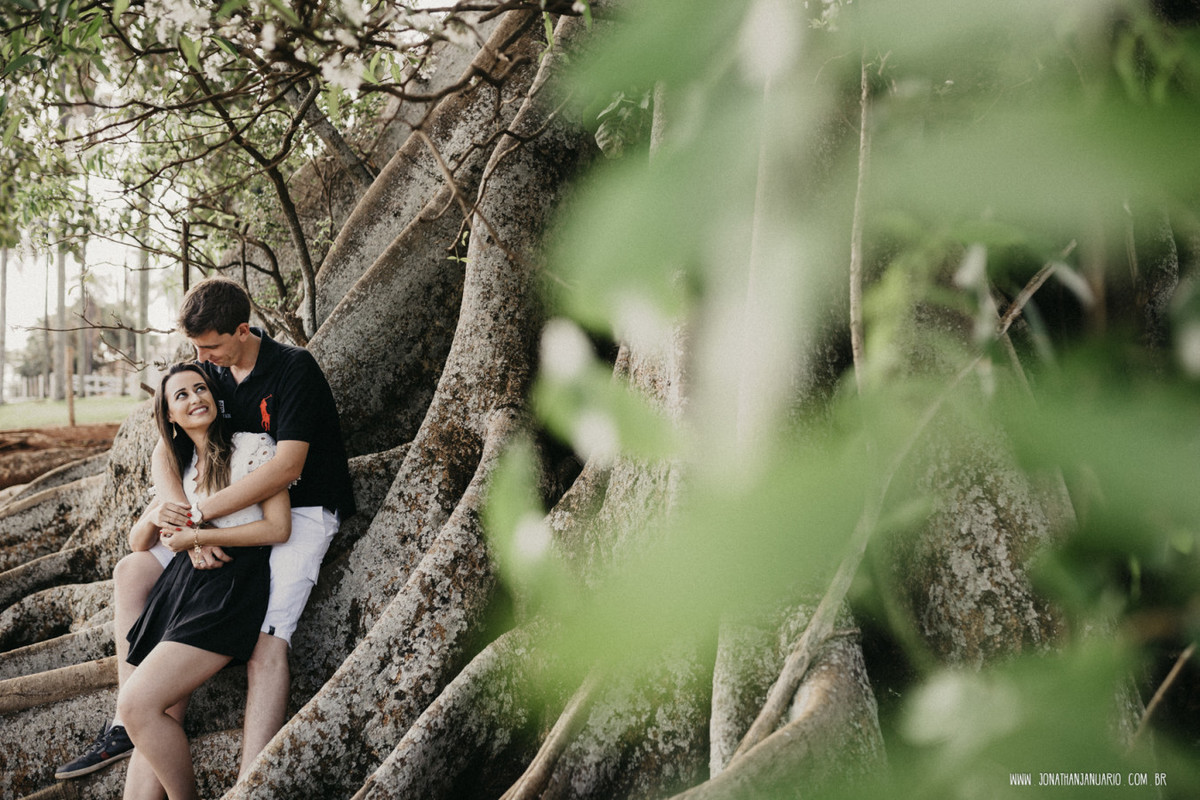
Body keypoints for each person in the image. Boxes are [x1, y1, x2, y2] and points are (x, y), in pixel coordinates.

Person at [56, 277, 356, 782]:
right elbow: (163, 447)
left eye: (210, 345)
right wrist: (179, 509)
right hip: (221, 506)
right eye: (196, 347)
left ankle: (249, 780)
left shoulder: (291, 369)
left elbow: (285, 467)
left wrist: (200, 521)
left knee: (268, 642)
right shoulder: (215, 370)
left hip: (301, 511)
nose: (202, 356)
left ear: (242, 331)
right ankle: (123, 722)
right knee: (132, 570)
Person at [120, 363, 291, 800]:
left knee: (137, 705)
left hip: (229, 586)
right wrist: (159, 515)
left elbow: (277, 528)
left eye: (201, 388)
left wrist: (201, 536)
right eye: (182, 395)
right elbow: (141, 543)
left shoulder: (253, 447)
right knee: (154, 721)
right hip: (178, 589)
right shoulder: (180, 467)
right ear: (170, 416)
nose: (195, 398)